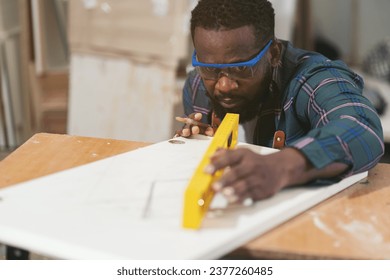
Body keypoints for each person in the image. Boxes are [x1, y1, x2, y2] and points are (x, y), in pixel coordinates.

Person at [176, 0, 384, 204]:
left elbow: (361, 127)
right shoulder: (197, 85)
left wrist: (280, 167)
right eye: (209, 68)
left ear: (273, 53)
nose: (224, 85)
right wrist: (197, 145)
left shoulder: (311, 78)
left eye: (240, 68)